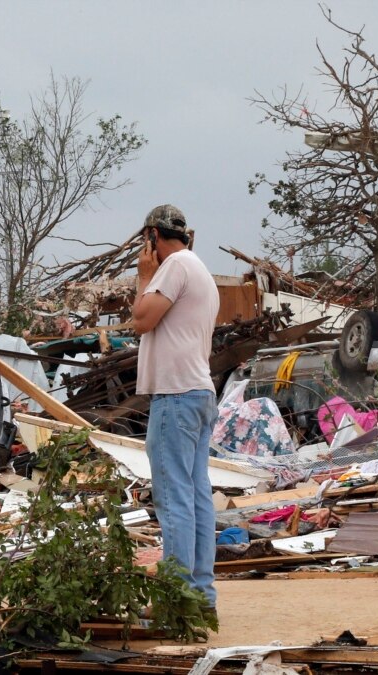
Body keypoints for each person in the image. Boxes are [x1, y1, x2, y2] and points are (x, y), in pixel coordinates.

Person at [131, 204, 220, 612]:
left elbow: (141, 319)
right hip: (199, 393)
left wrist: (144, 276)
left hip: (176, 394)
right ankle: (200, 595)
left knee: (174, 499)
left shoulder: (174, 266)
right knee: (197, 495)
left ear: (152, 235)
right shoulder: (199, 267)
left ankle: (176, 599)